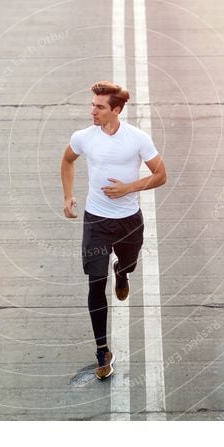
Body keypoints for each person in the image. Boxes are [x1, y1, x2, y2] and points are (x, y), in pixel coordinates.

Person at [61, 81, 167, 380]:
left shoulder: (137, 139)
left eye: (99, 107)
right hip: (96, 221)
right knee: (96, 284)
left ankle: (123, 271)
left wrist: (128, 188)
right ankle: (102, 349)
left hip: (129, 220)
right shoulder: (83, 137)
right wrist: (68, 195)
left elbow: (161, 174)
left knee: (129, 263)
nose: (93, 111)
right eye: (92, 106)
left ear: (116, 110)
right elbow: (67, 159)